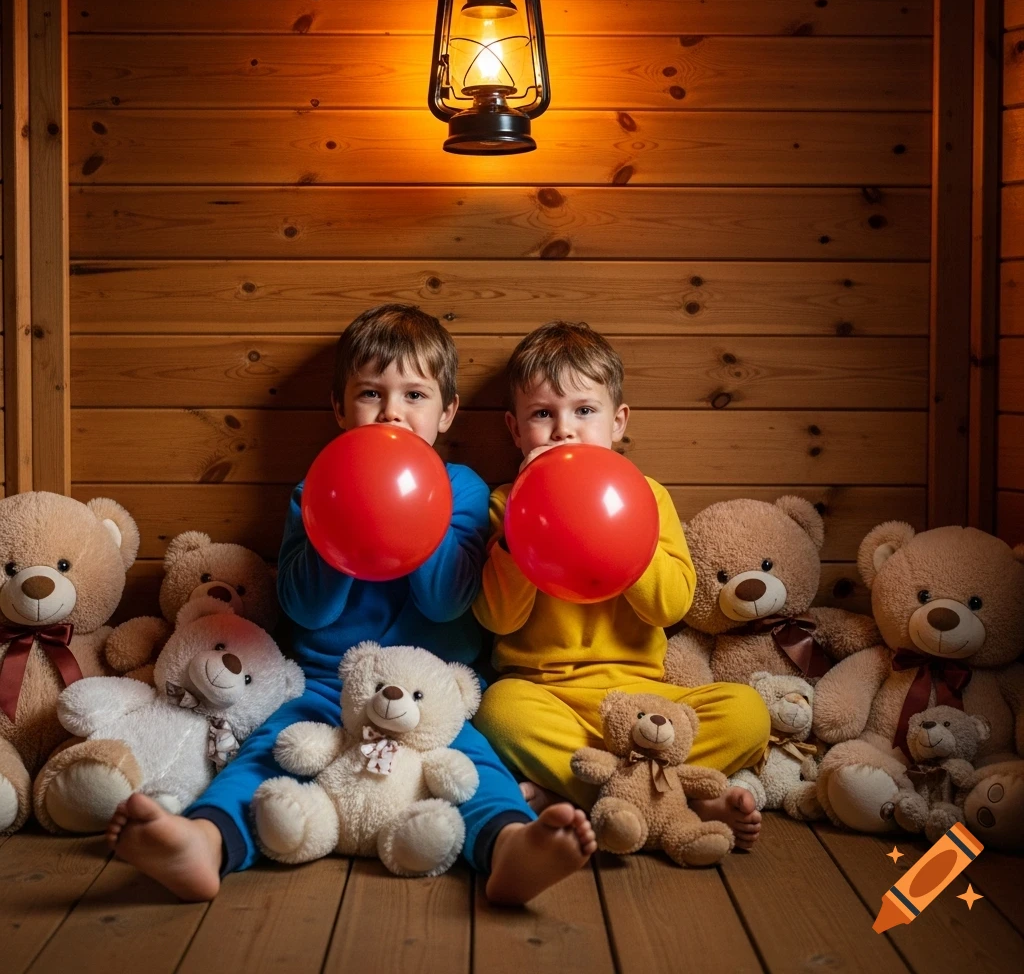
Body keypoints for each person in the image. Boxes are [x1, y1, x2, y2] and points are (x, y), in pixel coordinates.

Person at [107, 305, 595, 905]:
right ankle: (206, 840)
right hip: (326, 686)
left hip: (432, 697)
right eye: (371, 393)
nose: (392, 411)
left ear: (446, 414)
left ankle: (509, 847)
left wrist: (415, 505)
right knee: (270, 753)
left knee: (474, 766)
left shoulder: (464, 488)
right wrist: (346, 510)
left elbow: (445, 603)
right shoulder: (316, 486)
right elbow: (307, 610)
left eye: (414, 395)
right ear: (341, 410)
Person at [473, 321, 770, 849]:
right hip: (551, 696)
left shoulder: (649, 497)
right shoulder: (505, 502)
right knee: (500, 710)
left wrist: (621, 530)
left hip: (646, 701)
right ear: (516, 431)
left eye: (584, 411)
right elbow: (498, 619)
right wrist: (524, 523)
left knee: (748, 714)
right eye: (543, 414)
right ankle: (673, 799)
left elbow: (671, 606)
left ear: (618, 421)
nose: (564, 429)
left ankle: (598, 794)